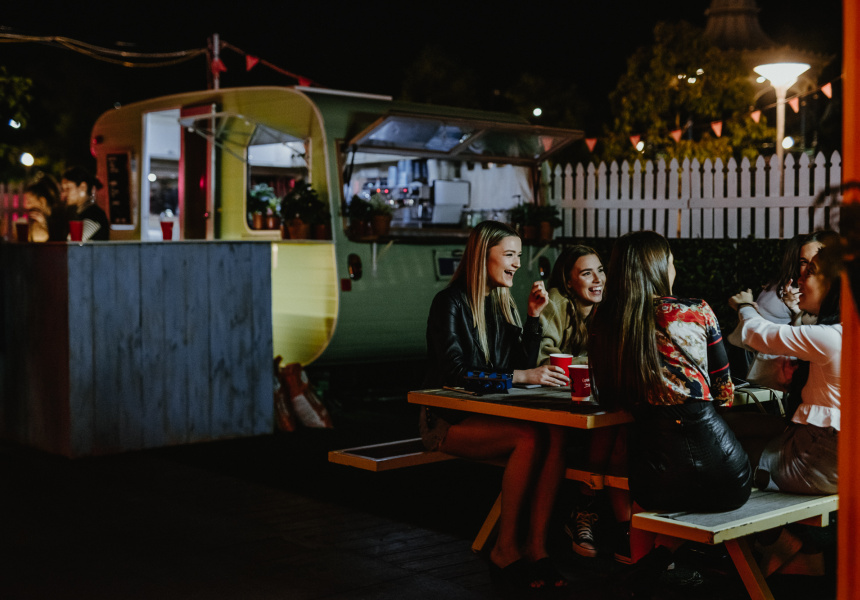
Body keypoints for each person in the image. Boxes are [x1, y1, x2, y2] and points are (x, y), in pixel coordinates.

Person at [589, 230, 751, 574]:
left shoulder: (605, 320)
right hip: (726, 477)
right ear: (660, 267)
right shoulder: (697, 310)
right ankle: (661, 559)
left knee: (645, 504)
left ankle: (647, 569)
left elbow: (609, 397)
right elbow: (725, 394)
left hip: (656, 480)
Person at [421, 220, 569, 589]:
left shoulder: (502, 304)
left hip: (489, 414)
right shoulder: (449, 303)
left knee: (554, 433)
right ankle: (505, 549)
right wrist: (523, 375)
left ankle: (537, 549)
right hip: (446, 420)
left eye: (519, 255)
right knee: (528, 438)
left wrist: (533, 317)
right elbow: (455, 373)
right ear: (481, 256)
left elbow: (520, 366)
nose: (517, 263)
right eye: (510, 255)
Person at [536, 246, 624, 560]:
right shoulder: (556, 303)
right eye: (587, 273)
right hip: (551, 405)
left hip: (591, 403)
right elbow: (544, 359)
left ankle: (613, 522)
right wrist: (593, 363)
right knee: (607, 424)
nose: (598, 279)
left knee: (621, 425)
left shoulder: (609, 308)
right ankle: (584, 513)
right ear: (569, 282)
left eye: (600, 270)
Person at [61, 166, 109, 241]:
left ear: (83, 187)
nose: (64, 194)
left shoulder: (95, 215)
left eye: (68, 189)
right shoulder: (79, 213)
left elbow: (75, 241)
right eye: (63, 190)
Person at [23, 173, 68, 242]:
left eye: (29, 202)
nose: (26, 206)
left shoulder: (61, 220)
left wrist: (44, 225)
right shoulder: (35, 222)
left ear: (42, 201)